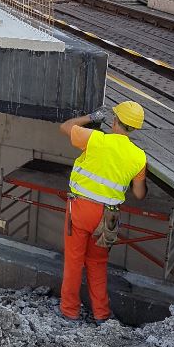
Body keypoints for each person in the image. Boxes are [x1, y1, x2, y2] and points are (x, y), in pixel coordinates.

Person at [59, 101, 147, 324]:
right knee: (97, 264)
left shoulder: (95, 139)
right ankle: (101, 314)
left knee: (74, 261)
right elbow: (139, 194)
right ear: (135, 129)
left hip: (81, 209)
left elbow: (65, 126)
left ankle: (70, 312)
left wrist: (91, 117)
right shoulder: (139, 157)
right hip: (108, 217)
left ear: (115, 120)